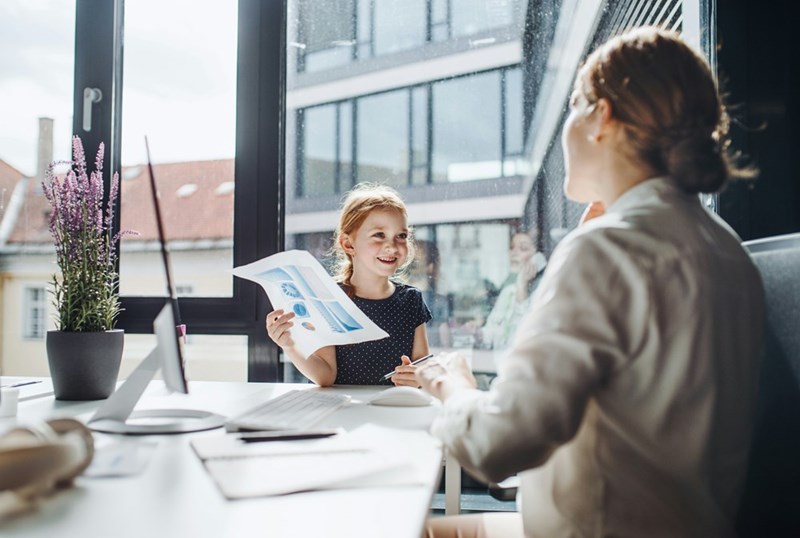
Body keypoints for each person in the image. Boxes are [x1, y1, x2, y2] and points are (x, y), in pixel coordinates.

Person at [415, 27, 765, 538]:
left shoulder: (606, 250)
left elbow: (497, 444)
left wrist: (452, 385)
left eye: (575, 103)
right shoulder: (726, 247)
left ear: (601, 117)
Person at [267, 182, 431, 387]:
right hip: (340, 414)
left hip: (393, 412)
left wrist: (418, 376)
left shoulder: (412, 300)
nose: (392, 245)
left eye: (401, 236)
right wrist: (290, 345)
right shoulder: (327, 297)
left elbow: (423, 365)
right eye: (379, 235)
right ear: (348, 244)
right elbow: (325, 376)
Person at [480, 227, 546, 351]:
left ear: (537, 257)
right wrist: (477, 333)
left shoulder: (543, 291)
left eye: (523, 248)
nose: (513, 253)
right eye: (512, 247)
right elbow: (490, 332)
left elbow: (528, 334)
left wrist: (522, 286)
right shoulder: (508, 292)